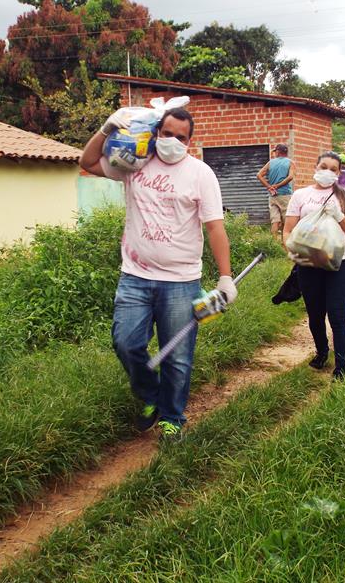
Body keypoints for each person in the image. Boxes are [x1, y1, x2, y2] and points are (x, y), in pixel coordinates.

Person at [79, 106, 236, 441]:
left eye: (181, 137)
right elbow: (88, 163)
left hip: (181, 282)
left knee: (177, 357)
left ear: (189, 142)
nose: (173, 141)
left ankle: (172, 417)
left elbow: (215, 228)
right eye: (167, 134)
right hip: (134, 276)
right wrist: (105, 130)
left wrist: (225, 277)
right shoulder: (134, 162)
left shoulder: (200, 174)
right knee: (126, 343)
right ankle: (151, 394)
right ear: (156, 133)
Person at [283, 151, 345, 380]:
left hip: (341, 262)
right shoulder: (300, 195)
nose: (328, 172)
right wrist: (291, 250)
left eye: (333, 169)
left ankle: (341, 367)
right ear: (315, 168)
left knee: (338, 316)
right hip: (309, 263)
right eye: (324, 166)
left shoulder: (344, 196)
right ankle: (321, 352)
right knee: (315, 315)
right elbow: (288, 230)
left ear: (339, 173)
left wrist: (339, 215)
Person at [257, 143, 295, 240]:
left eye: (275, 152)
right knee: (287, 220)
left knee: (275, 221)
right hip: (285, 195)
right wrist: (278, 186)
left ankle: (274, 244)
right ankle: (286, 243)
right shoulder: (290, 162)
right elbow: (290, 177)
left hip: (272, 196)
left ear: (278, 152)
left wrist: (269, 187)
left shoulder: (270, 163)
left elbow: (259, 175)